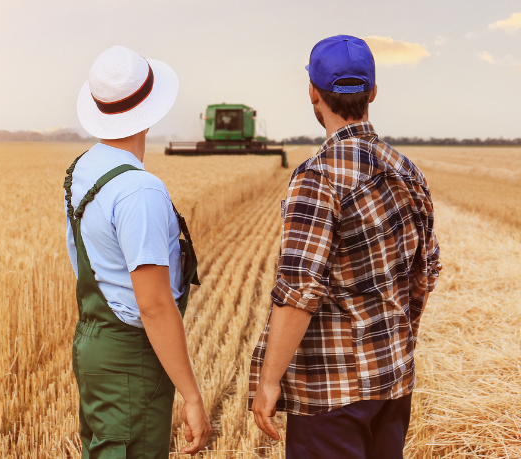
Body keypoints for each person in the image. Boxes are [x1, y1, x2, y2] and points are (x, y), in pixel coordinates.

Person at [247, 35, 442, 459]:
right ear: (373, 92)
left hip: (331, 393)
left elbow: (300, 289)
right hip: (392, 380)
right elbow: (424, 273)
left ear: (313, 93)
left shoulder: (317, 178)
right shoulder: (407, 171)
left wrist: (268, 381)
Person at [64, 45, 212, 458]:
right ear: (150, 110)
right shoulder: (139, 190)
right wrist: (193, 397)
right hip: (132, 357)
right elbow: (154, 306)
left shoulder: (81, 169)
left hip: (93, 344)